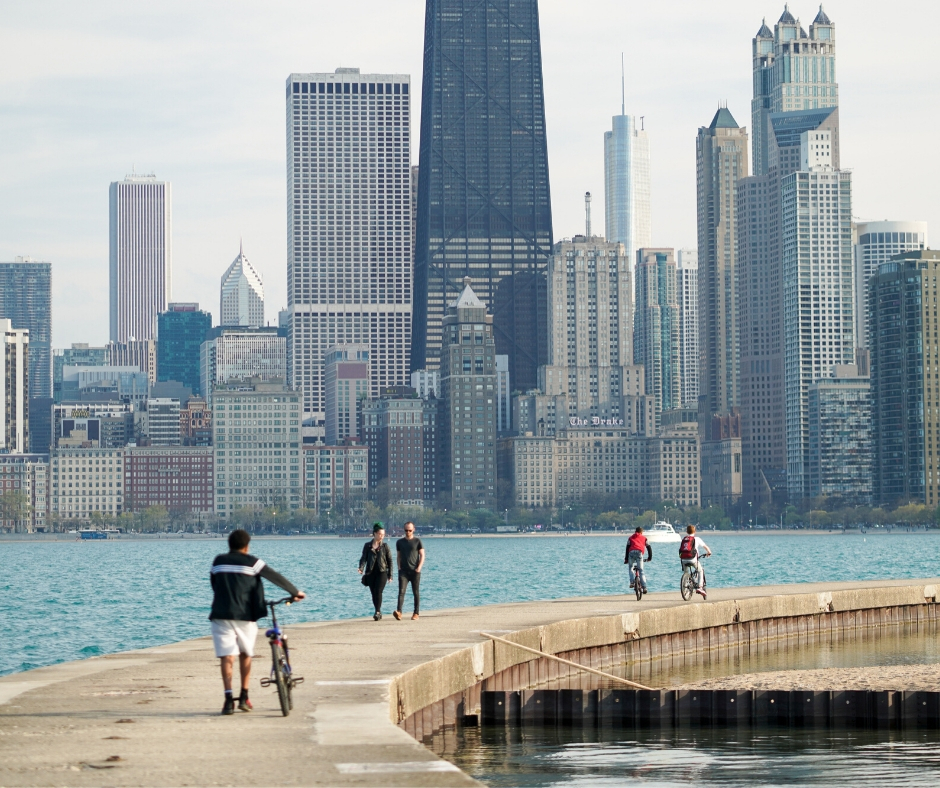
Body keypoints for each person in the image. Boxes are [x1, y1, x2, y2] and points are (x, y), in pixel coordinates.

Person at [209, 528, 305, 716]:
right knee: (245, 654)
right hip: (245, 615)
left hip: (220, 614)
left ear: (229, 545)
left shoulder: (218, 562)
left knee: (227, 657)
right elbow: (275, 577)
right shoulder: (252, 562)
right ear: (246, 546)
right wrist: (295, 592)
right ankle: (244, 696)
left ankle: (228, 700)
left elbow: (214, 584)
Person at [358, 522, 393, 620]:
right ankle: (378, 611)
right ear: (374, 534)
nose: (382, 536)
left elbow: (390, 561)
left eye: (383, 535)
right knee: (373, 593)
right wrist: (361, 568)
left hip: (382, 572)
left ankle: (377, 612)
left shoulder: (385, 546)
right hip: (370, 573)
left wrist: (390, 575)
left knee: (378, 591)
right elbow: (364, 558)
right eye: (380, 534)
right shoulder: (367, 546)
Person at [394, 521, 425, 621]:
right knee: (401, 592)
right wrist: (399, 567)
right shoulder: (399, 542)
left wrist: (419, 568)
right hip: (403, 571)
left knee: (415, 592)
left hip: (415, 571)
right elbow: (398, 556)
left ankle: (416, 613)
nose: (408, 532)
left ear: (413, 530)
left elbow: (422, 555)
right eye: (406, 530)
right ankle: (399, 612)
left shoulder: (417, 541)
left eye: (410, 530)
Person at [679, 524, 712, 599]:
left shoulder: (684, 539)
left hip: (683, 559)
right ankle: (700, 587)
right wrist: (709, 552)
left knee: (686, 572)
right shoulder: (697, 539)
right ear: (695, 531)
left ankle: (686, 583)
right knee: (700, 570)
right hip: (693, 559)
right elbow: (705, 547)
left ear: (687, 531)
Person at [624, 526, 652, 593]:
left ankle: (632, 582)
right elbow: (649, 547)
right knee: (641, 570)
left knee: (631, 568)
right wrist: (649, 557)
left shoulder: (630, 538)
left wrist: (626, 559)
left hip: (631, 553)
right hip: (639, 553)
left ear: (635, 531)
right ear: (641, 532)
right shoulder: (644, 538)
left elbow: (627, 548)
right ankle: (644, 587)